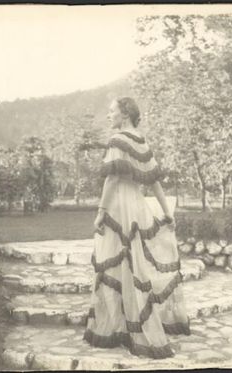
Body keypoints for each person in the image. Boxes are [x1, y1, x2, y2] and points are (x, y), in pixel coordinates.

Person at [83, 97, 190, 359]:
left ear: (125, 113)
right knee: (135, 266)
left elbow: (111, 179)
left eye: (112, 111)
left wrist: (100, 213)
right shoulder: (141, 140)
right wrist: (166, 212)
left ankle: (120, 328)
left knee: (117, 264)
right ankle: (129, 325)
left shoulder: (117, 140)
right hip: (137, 207)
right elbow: (154, 183)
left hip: (119, 208)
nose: (109, 116)